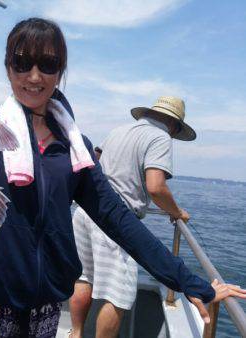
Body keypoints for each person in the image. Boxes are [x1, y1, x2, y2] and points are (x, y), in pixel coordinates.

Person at [0, 2, 246, 337]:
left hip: (45, 310)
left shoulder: (75, 149)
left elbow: (117, 219)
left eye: (47, 65)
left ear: (60, 71)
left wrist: (187, 281)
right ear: (6, 67)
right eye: (21, 63)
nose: (34, 76)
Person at [69, 96, 196, 338]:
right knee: (119, 295)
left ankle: (75, 334)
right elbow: (156, 187)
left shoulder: (119, 130)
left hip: (86, 211)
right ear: (173, 125)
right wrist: (176, 212)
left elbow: (92, 162)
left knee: (83, 277)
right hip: (115, 220)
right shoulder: (160, 138)